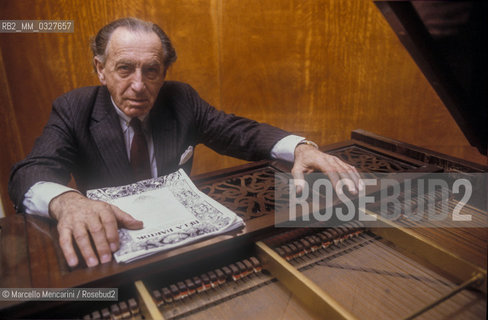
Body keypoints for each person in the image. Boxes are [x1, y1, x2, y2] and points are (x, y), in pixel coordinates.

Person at [8, 17, 362, 268]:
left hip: (187, 248)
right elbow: (30, 171)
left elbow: (237, 130)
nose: (138, 85)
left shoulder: (180, 99)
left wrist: (301, 147)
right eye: (124, 68)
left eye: (151, 71)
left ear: (165, 72)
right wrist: (66, 201)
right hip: (114, 253)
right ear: (100, 69)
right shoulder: (75, 108)